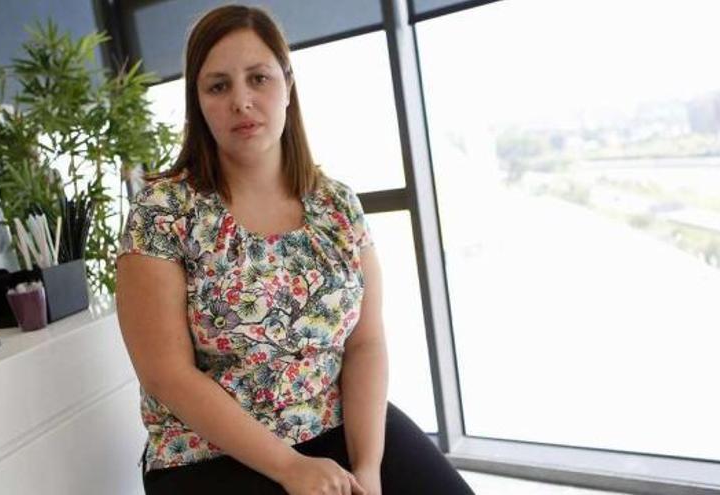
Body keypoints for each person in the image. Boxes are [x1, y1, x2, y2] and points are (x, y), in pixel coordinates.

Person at [115, 5, 474, 494]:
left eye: (258, 78)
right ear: (198, 101)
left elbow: (365, 341)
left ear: (287, 83)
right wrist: (290, 467)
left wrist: (368, 468)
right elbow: (167, 375)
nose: (241, 100)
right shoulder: (162, 211)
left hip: (335, 422)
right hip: (207, 449)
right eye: (218, 86)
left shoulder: (337, 206)